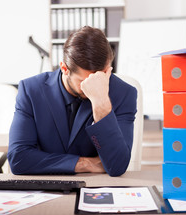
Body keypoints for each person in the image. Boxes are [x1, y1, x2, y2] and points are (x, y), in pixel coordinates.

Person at [8, 26, 137, 177]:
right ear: (64, 68)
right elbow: (18, 159)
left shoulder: (124, 94)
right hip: (46, 187)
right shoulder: (31, 90)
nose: (93, 85)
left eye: (101, 77)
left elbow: (117, 166)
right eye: (85, 81)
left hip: (98, 188)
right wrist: (85, 163)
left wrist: (101, 104)